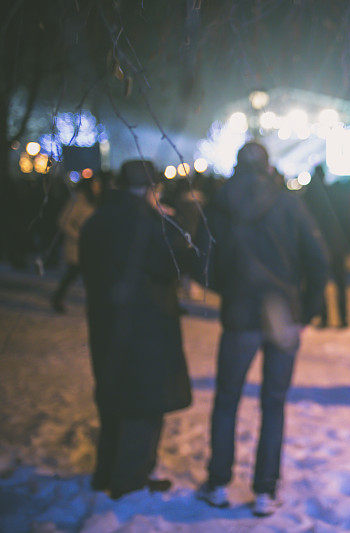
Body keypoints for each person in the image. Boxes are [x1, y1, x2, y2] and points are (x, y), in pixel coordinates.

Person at [197, 143, 328, 517]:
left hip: (239, 313)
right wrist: (307, 308)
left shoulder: (219, 203)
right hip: (281, 313)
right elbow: (318, 258)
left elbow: (200, 259)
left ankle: (219, 483)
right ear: (269, 167)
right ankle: (264, 491)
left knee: (226, 400)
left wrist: (227, 287)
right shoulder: (289, 203)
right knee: (274, 403)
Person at [79, 160, 192, 499]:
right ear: (151, 188)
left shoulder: (96, 221)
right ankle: (129, 481)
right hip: (147, 326)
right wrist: (181, 218)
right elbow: (172, 263)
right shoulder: (151, 223)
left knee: (113, 397)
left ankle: (106, 473)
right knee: (144, 404)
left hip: (106, 321)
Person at [303, 166, 350, 327]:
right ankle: (343, 319)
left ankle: (324, 319)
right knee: (340, 284)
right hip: (336, 244)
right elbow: (346, 219)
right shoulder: (334, 193)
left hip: (319, 245)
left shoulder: (309, 196)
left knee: (320, 283)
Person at [51, 176, 100, 313]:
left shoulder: (94, 200)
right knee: (75, 273)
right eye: (95, 184)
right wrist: (78, 235)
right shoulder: (78, 199)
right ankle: (57, 299)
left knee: (82, 275)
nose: (98, 187)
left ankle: (58, 298)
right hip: (76, 247)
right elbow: (63, 220)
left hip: (87, 246)